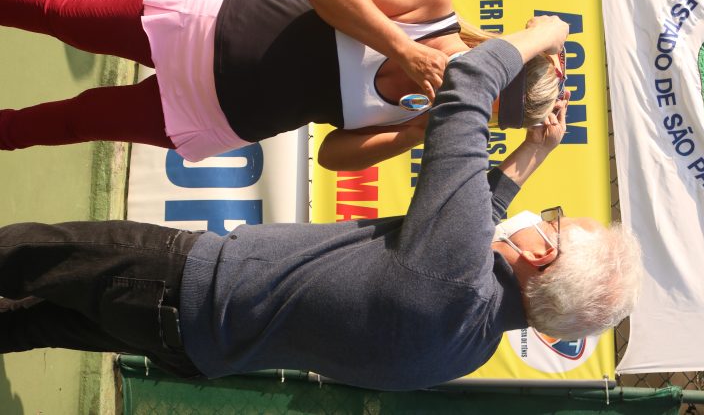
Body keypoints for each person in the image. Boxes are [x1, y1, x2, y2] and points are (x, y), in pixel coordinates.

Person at [0, 20, 642, 391]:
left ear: (542, 254)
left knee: (20, 254)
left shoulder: (453, 272)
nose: (542, 220)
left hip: (179, 284)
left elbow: (469, 80)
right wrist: (533, 151)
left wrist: (542, 32)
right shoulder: (470, 341)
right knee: (29, 326)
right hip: (195, 346)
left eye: (554, 224)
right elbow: (475, 223)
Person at [0, 0, 563, 169]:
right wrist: (401, 47)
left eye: (484, 111)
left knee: (75, 123)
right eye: (487, 87)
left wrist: (416, 132)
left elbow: (332, 155)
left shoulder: (422, 120)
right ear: (496, 59)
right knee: (63, 16)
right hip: (207, 26)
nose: (470, 99)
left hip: (215, 115)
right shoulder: (433, 9)